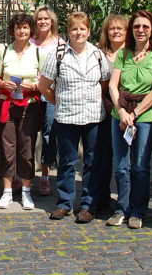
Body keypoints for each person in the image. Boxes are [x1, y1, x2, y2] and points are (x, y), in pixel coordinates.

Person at [38, 12, 111, 223]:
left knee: (92, 162)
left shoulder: (97, 54)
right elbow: (44, 86)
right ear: (68, 31)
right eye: (74, 29)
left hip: (93, 117)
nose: (78, 33)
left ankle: (88, 204)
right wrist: (58, 102)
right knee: (67, 162)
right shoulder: (58, 54)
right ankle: (64, 203)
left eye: (82, 29)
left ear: (89, 31)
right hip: (67, 117)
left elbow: (103, 83)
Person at [107, 10, 152, 229]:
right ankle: (122, 207)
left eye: (145, 27)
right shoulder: (123, 54)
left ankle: (138, 210)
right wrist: (122, 111)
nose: (140, 30)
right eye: (136, 26)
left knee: (140, 166)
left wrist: (135, 114)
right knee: (122, 165)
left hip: (146, 117)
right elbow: (113, 85)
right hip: (120, 115)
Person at [0, 13, 44, 210]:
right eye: (18, 27)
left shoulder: (39, 53)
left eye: (25, 27)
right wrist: (2, 83)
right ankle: (6, 192)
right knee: (7, 150)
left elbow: (45, 81)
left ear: (31, 30)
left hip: (29, 105)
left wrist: (33, 86)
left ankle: (26, 191)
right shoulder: (3, 51)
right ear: (12, 30)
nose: (21, 31)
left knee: (26, 150)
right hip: (7, 104)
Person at [95, 14, 129, 210]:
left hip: (126, 111)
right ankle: (102, 196)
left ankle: (125, 198)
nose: (116, 32)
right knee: (103, 156)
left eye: (120, 29)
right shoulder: (98, 53)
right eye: (112, 29)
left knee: (125, 158)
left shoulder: (132, 53)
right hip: (102, 110)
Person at [31, 6, 63, 197]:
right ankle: (24, 175)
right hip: (31, 93)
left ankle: (45, 175)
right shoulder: (30, 41)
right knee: (27, 133)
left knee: (49, 133)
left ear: (52, 22)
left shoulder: (59, 43)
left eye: (46, 19)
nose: (42, 22)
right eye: (39, 19)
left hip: (50, 93)